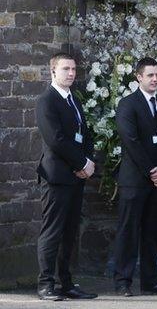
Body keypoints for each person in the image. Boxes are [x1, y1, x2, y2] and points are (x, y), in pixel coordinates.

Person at [35, 52, 98, 301]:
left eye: (73, 69)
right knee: (52, 232)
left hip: (75, 177)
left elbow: (85, 134)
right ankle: (45, 284)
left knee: (70, 232)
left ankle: (66, 283)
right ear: (53, 71)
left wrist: (88, 162)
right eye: (65, 69)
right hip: (56, 177)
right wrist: (81, 162)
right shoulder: (46, 100)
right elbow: (56, 139)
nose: (71, 73)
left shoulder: (74, 100)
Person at [112, 57, 157, 296]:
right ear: (139, 77)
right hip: (135, 180)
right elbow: (131, 141)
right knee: (128, 231)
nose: (155, 79)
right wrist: (152, 171)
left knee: (152, 232)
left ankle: (151, 280)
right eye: (150, 75)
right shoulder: (128, 104)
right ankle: (122, 281)